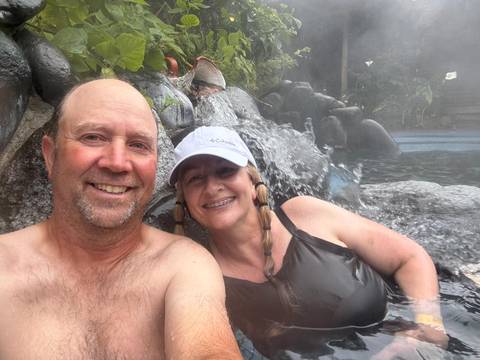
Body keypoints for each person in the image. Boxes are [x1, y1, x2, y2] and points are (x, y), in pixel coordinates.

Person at [0, 80, 242, 359]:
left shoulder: (183, 265)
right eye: (93, 137)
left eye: (138, 145)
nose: (117, 162)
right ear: (50, 155)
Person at [169, 126, 448, 357]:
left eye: (226, 171)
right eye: (196, 179)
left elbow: (409, 256)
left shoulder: (305, 215)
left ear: (253, 181)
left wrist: (427, 324)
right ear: (185, 201)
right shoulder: (202, 273)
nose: (212, 187)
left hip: (406, 332)